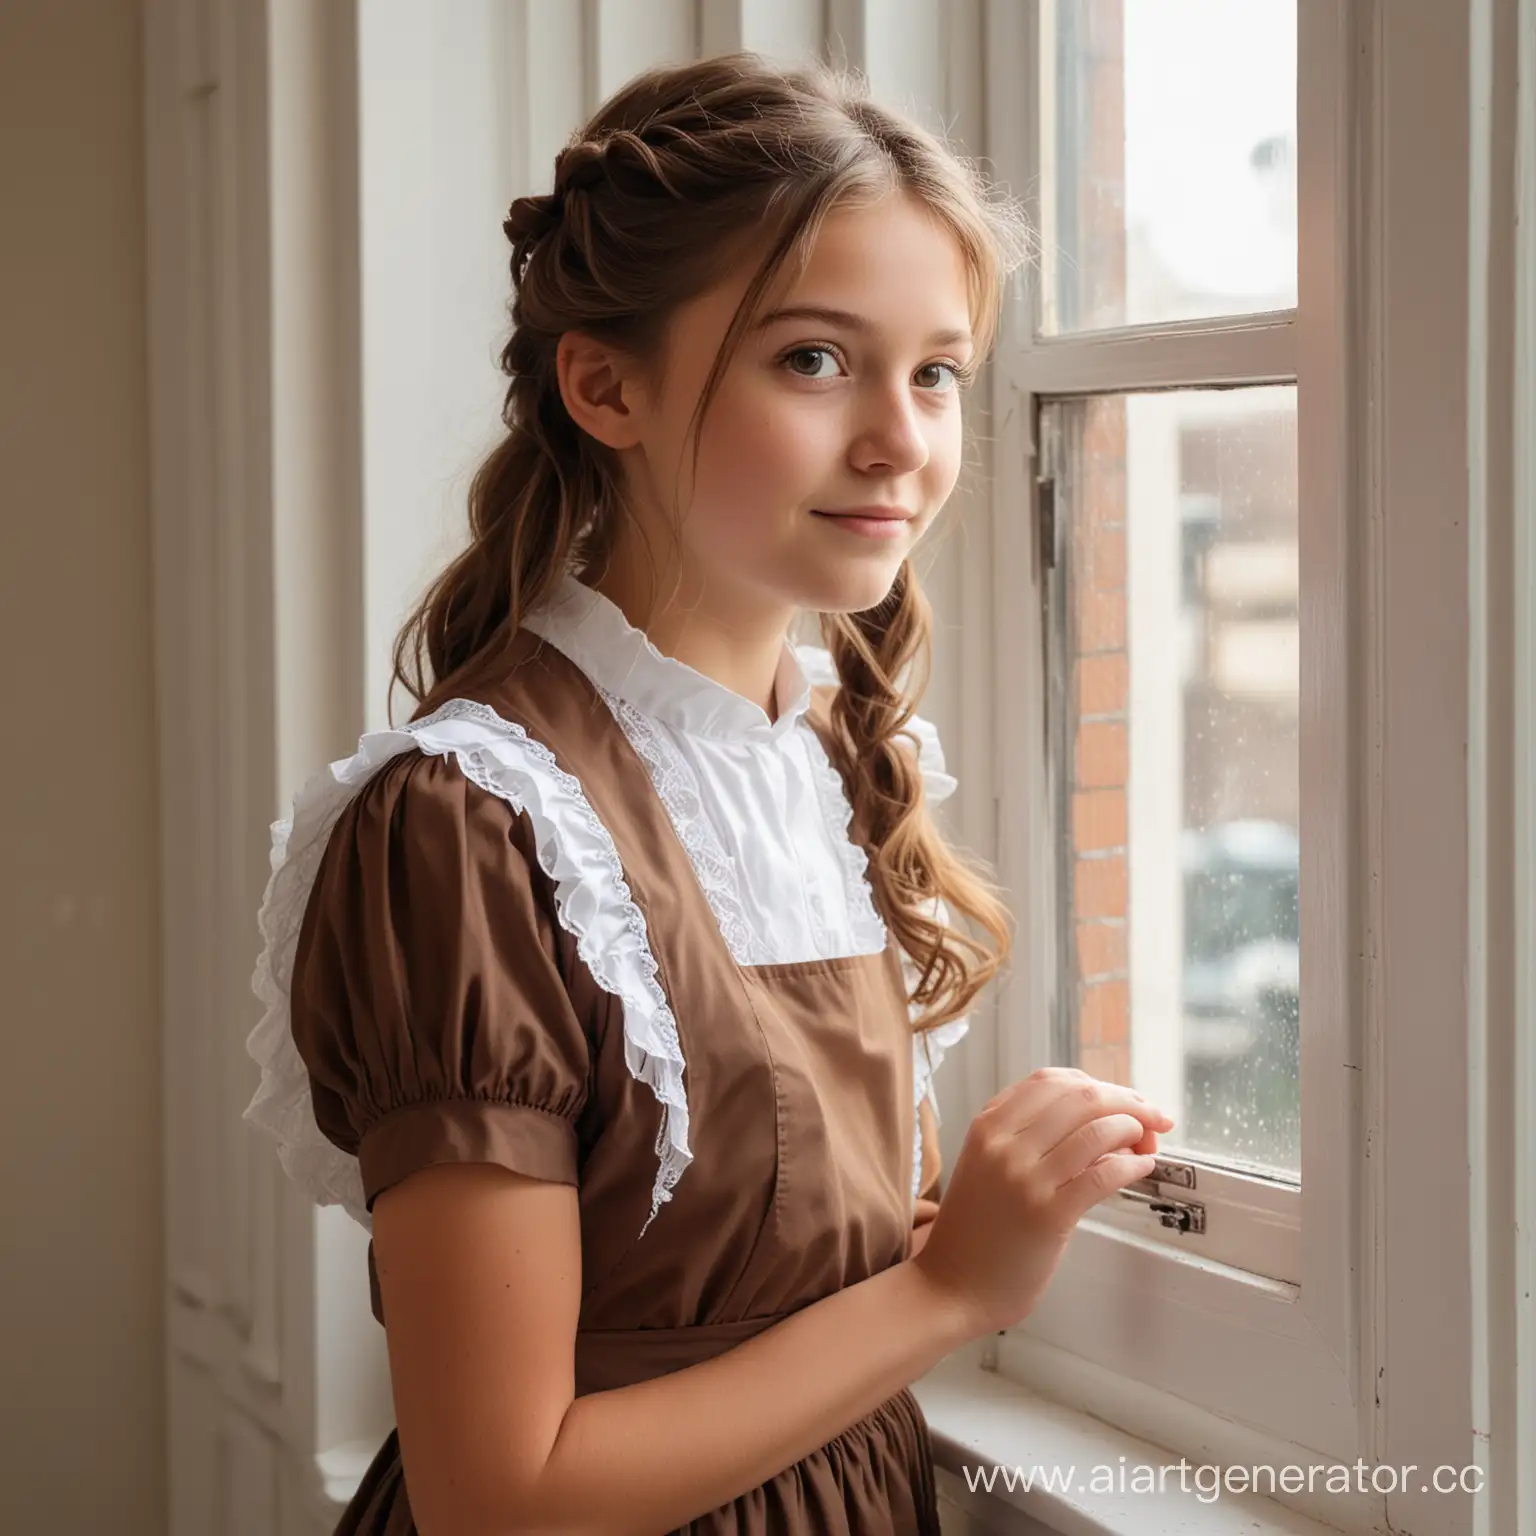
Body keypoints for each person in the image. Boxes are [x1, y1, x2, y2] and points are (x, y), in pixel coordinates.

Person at [242, 51, 1175, 1536]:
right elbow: (501, 1493)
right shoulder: (473, 824)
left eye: (935, 370)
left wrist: (970, 1225)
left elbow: (754, 1267)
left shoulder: (828, 769)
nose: (903, 440)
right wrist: (948, 1290)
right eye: (814, 359)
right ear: (606, 384)